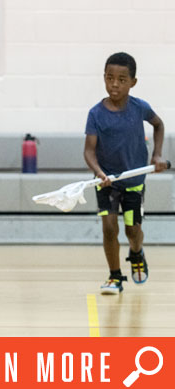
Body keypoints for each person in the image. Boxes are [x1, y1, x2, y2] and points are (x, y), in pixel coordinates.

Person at [84, 52, 168, 295]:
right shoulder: (96, 113)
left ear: (133, 82)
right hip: (106, 182)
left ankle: (136, 251)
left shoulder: (139, 108)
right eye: (110, 78)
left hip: (133, 183)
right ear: (104, 78)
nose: (114, 84)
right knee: (109, 228)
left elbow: (159, 125)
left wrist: (157, 155)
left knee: (133, 231)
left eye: (121, 80)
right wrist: (99, 172)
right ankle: (114, 276)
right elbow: (89, 151)